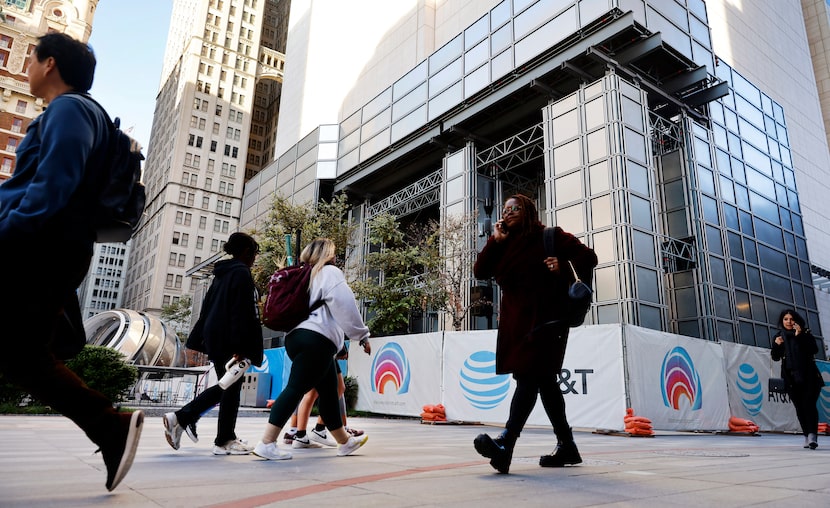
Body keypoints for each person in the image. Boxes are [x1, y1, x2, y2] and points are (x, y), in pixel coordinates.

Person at [0, 33, 143, 491]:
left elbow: (53, 183)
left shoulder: (71, 109)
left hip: (35, 246)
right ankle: (109, 425)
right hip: (51, 247)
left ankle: (110, 425)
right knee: (22, 355)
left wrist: (10, 229)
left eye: (32, 59)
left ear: (51, 63)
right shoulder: (80, 112)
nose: (26, 68)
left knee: (22, 355)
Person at [472, 194, 597, 473]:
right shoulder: (503, 243)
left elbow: (589, 257)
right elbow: (480, 270)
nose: (509, 212)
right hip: (517, 324)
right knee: (545, 383)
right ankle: (567, 445)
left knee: (528, 377)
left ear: (527, 211)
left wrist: (562, 266)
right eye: (505, 209)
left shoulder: (548, 236)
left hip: (548, 321)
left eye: (515, 208)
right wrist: (495, 240)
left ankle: (506, 444)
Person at [253, 238, 371, 460]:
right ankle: (266, 443)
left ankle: (344, 442)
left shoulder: (300, 275)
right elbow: (345, 304)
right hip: (316, 340)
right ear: (328, 255)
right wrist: (361, 335)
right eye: (334, 253)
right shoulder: (329, 273)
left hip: (296, 338)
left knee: (329, 391)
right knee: (295, 389)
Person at [163, 232, 264, 455]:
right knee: (229, 386)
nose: (255, 258)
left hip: (217, 337)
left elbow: (208, 308)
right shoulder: (240, 272)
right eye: (255, 253)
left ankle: (214, 433)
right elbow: (241, 312)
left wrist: (202, 339)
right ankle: (193, 423)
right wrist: (240, 346)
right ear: (247, 252)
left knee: (228, 385)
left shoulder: (222, 274)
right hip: (230, 339)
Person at [287, 347, 364, 449]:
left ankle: (301, 435)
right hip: (325, 346)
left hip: (314, 347)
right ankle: (318, 430)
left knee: (313, 392)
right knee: (337, 388)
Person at [771, 309, 824, 449]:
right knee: (800, 408)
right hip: (791, 378)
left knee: (809, 405)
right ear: (782, 321)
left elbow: (813, 350)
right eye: (785, 319)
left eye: (791, 319)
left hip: (809, 376)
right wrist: (776, 345)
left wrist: (799, 336)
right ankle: (806, 435)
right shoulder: (779, 336)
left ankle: (813, 435)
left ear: (796, 320)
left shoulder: (805, 333)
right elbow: (775, 357)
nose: (789, 322)